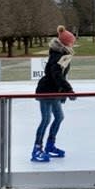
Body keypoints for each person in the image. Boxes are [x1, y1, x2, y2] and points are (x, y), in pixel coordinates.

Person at [31, 25, 77, 163]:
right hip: (46, 91)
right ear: (66, 42)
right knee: (46, 119)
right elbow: (56, 75)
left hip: (54, 91)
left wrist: (63, 92)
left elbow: (61, 75)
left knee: (59, 117)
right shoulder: (58, 55)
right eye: (71, 41)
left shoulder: (63, 54)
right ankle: (37, 149)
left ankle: (50, 145)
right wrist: (68, 90)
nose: (72, 44)